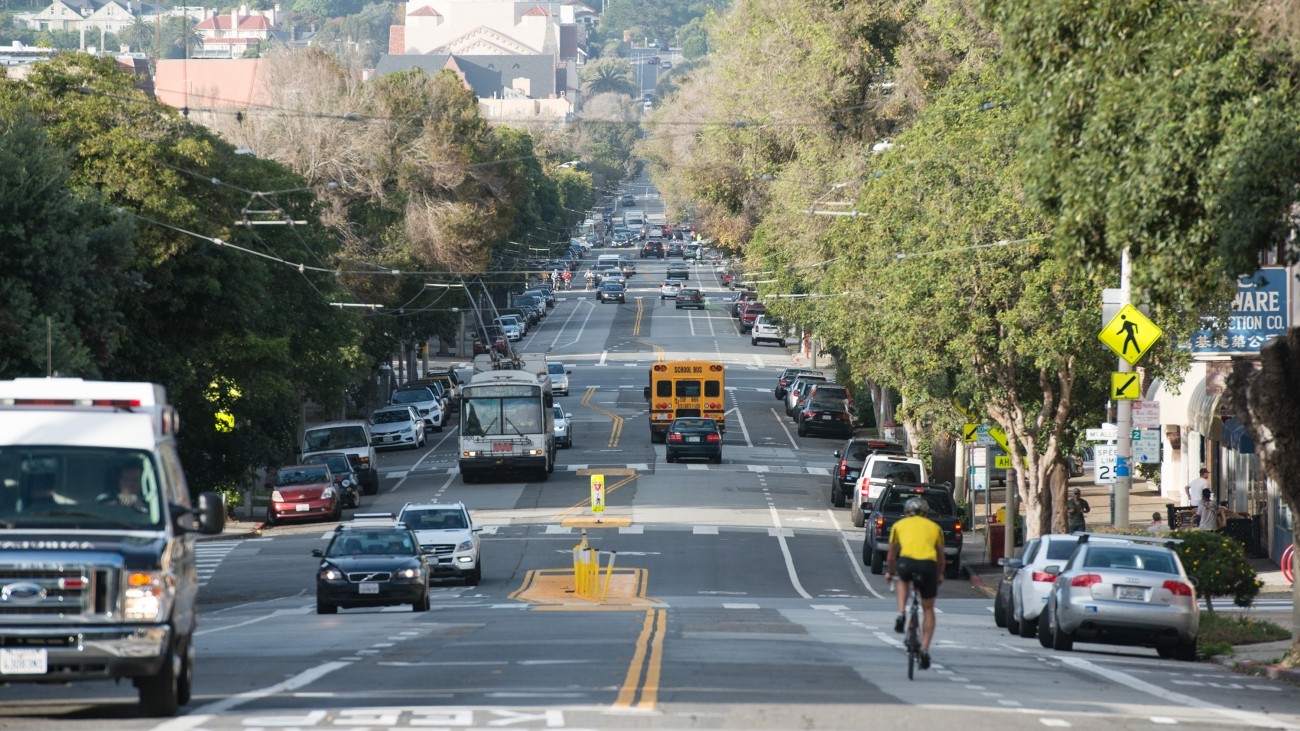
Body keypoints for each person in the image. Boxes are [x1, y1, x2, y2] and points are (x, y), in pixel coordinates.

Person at [884, 497, 945, 671]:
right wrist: (940, 575)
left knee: (903, 580)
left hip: (907, 563)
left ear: (906, 511)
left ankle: (902, 612)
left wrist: (890, 572)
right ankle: (925, 648)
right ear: (925, 513)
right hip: (928, 566)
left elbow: (891, 556)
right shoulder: (935, 528)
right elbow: (941, 558)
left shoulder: (898, 525)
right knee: (928, 609)